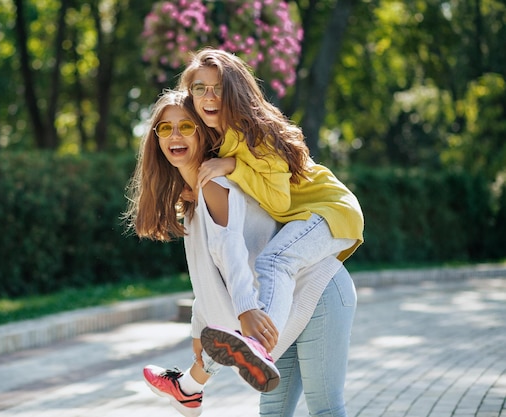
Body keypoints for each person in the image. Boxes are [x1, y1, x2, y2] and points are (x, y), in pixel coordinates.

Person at [124, 89, 357, 417]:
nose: (174, 136)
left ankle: (187, 390)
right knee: (273, 412)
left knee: (325, 408)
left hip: (318, 292)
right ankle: (188, 390)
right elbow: (209, 279)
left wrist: (245, 312)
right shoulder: (193, 202)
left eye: (186, 127)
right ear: (156, 140)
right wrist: (198, 332)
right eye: (165, 128)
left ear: (203, 132)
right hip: (276, 316)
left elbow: (231, 255)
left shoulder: (216, 187)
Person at [175, 47, 364, 392]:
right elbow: (215, 255)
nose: (209, 96)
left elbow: (277, 200)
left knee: (275, 260)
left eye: (217, 87)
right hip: (303, 217)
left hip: (329, 210)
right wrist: (198, 326)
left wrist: (233, 167)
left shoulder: (255, 132)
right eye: (199, 88)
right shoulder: (222, 141)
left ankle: (258, 348)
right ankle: (197, 381)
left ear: (235, 91)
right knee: (269, 266)